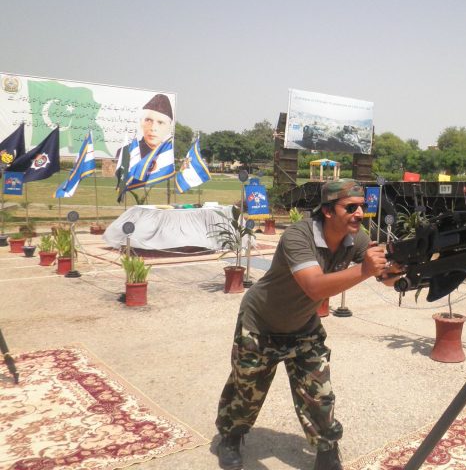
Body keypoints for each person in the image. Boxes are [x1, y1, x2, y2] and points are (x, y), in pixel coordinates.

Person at [214, 179, 399, 470]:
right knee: (246, 389)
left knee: (319, 395)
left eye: (362, 206)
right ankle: (231, 436)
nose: (359, 213)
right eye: (351, 207)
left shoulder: (356, 237)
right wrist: (364, 270)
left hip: (303, 328)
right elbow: (314, 287)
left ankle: (327, 450)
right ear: (328, 210)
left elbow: (384, 276)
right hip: (261, 324)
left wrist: (395, 269)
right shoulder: (298, 236)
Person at [137, 93, 173, 158]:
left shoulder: (170, 154)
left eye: (160, 122)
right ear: (141, 123)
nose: (153, 128)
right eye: (148, 120)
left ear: (169, 128)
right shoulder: (128, 152)